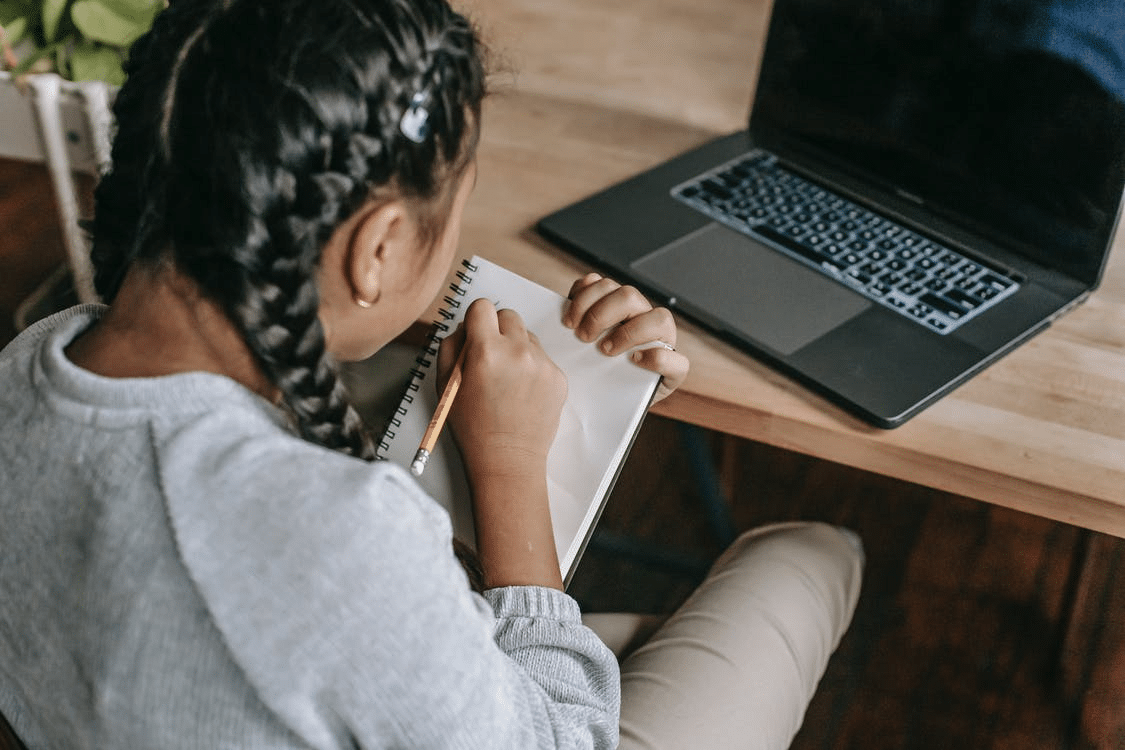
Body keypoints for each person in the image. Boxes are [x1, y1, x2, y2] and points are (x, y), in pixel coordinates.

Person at [0, 0, 862, 747]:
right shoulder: (342, 539)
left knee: (638, 639)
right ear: (375, 249)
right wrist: (512, 470)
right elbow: (567, 736)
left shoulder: (32, 364)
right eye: (455, 215)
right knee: (809, 556)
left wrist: (591, 384)